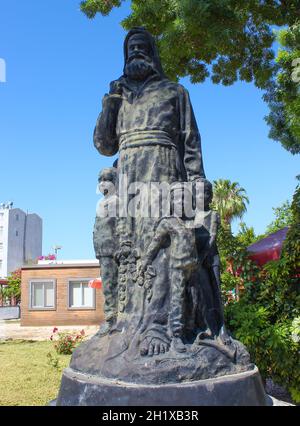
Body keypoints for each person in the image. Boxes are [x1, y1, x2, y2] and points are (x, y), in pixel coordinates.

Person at [93, 167, 119, 336]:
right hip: (102, 250)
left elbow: (122, 226)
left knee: (111, 285)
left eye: (106, 179)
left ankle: (113, 319)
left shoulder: (117, 201)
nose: (103, 183)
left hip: (112, 250)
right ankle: (110, 317)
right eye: (100, 180)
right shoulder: (102, 203)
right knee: (107, 286)